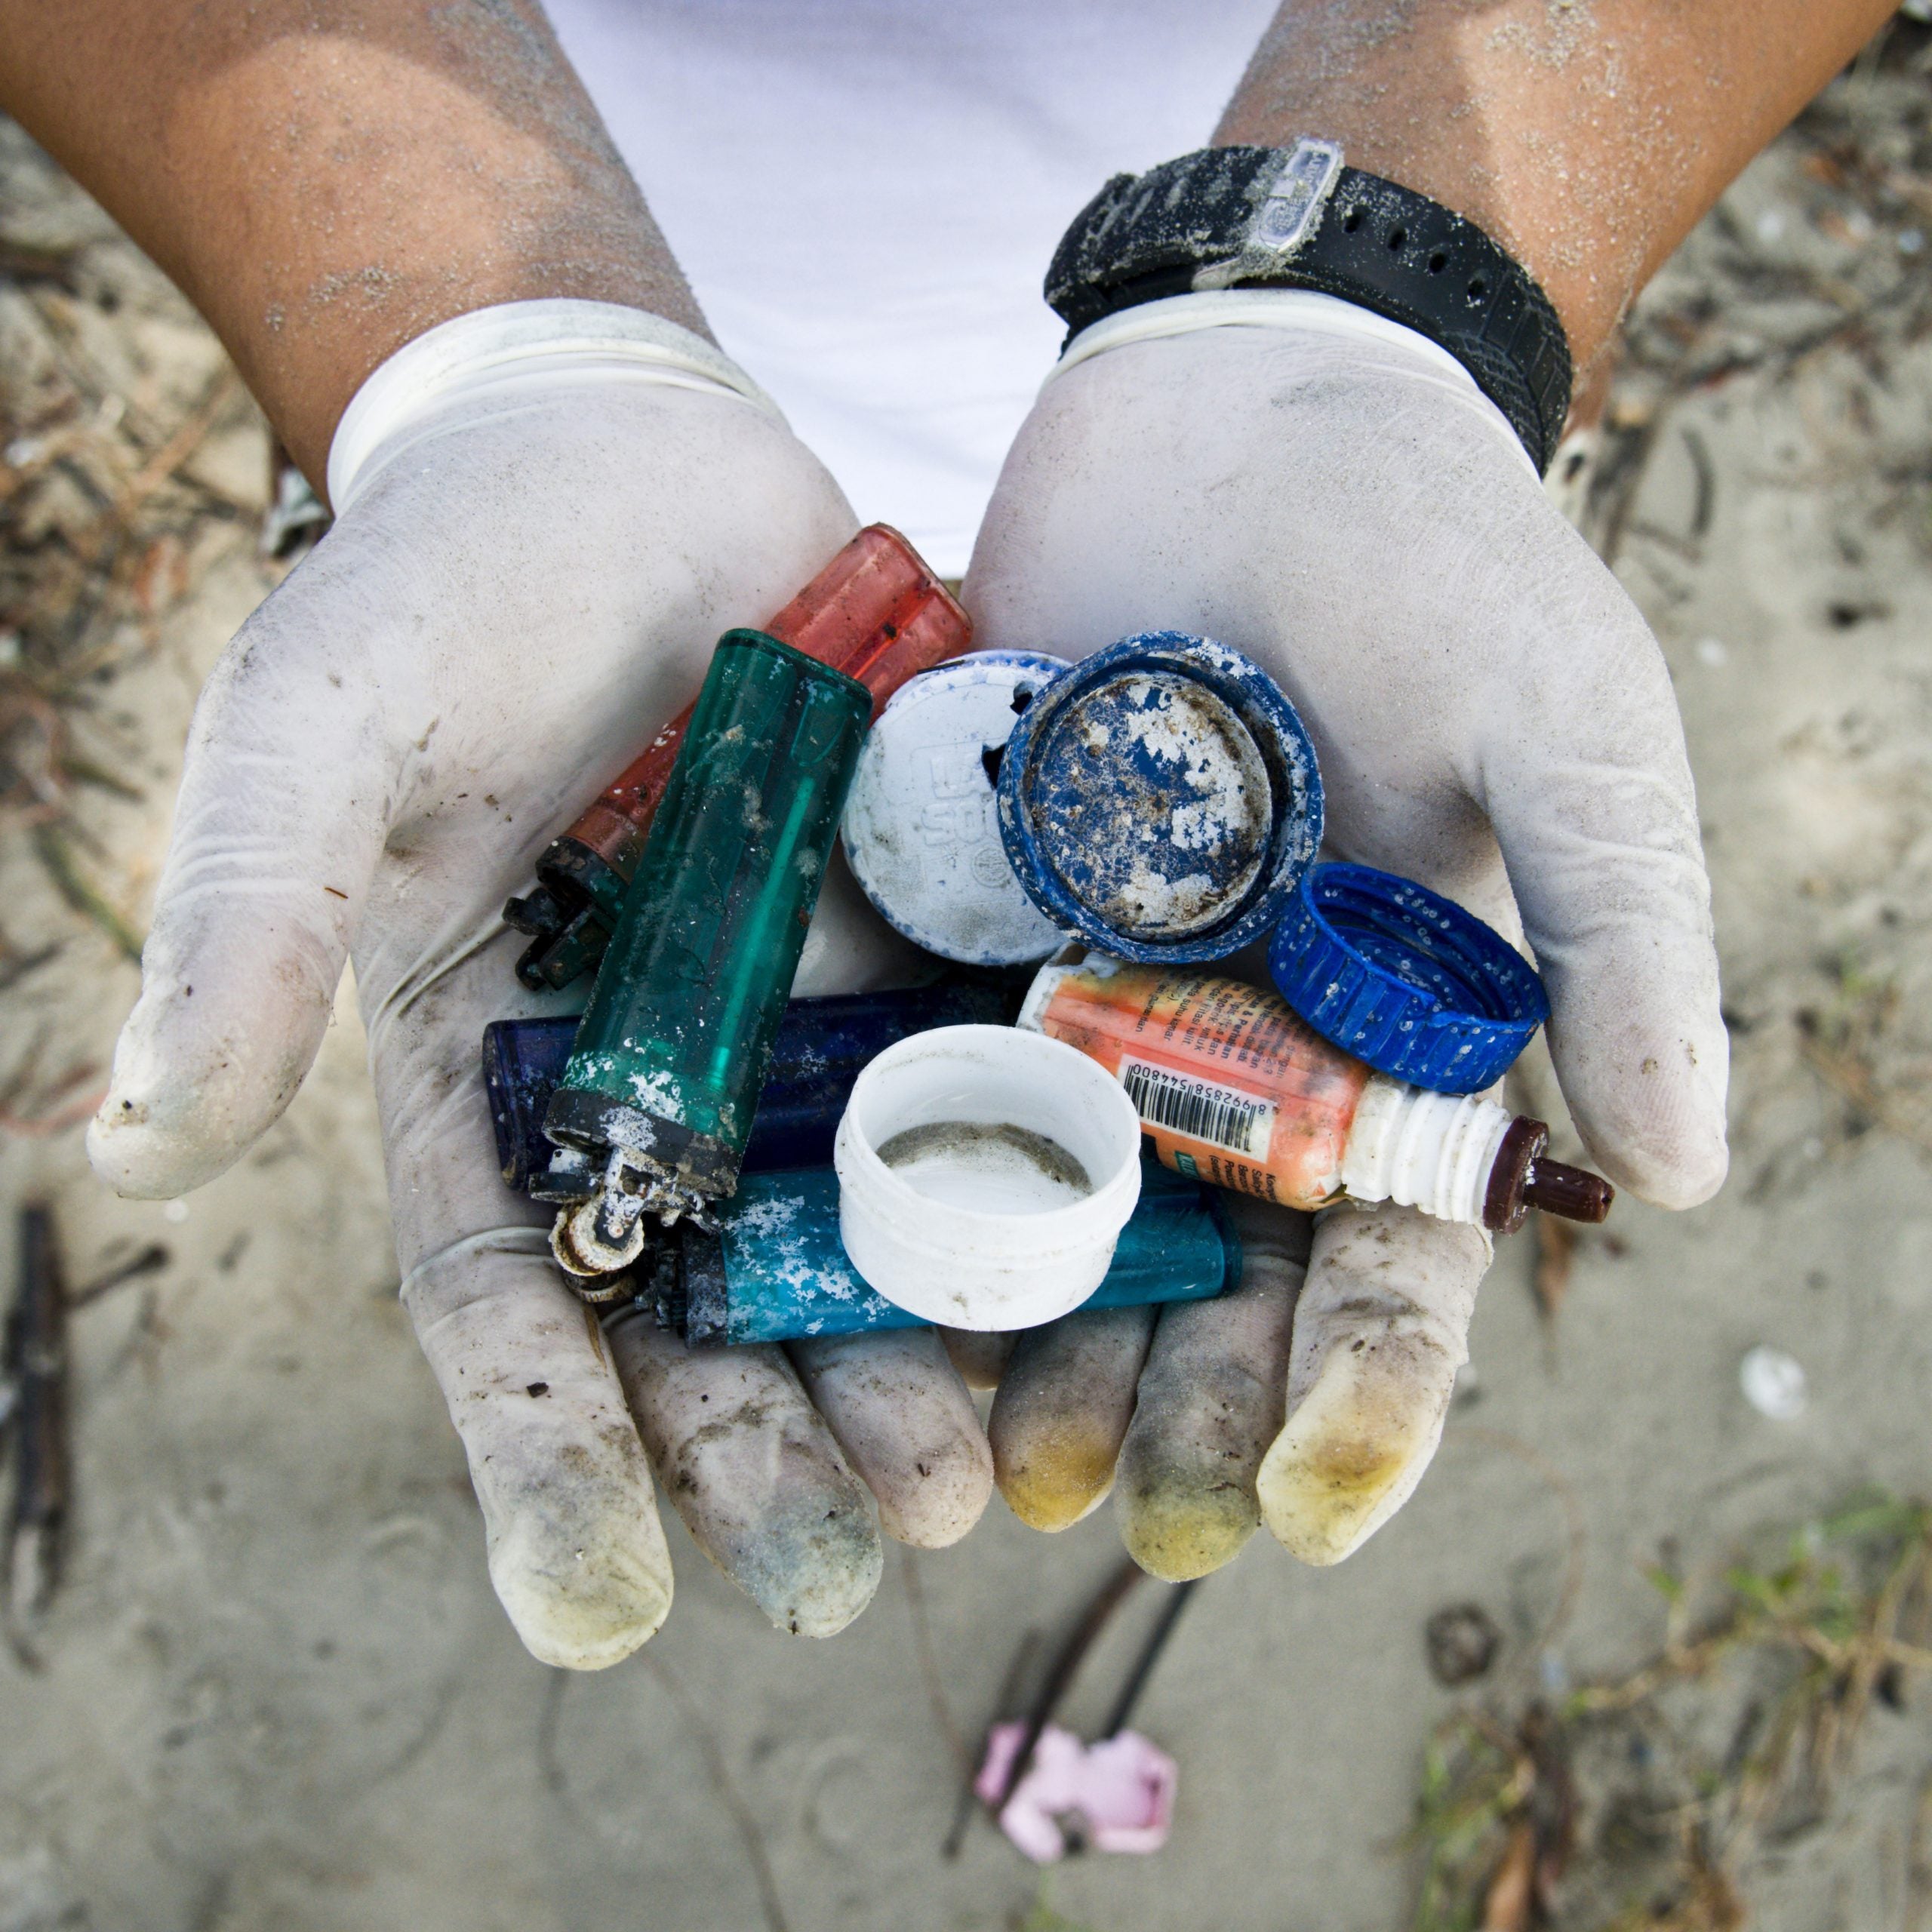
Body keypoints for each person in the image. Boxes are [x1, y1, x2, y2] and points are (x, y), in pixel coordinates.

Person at [0, 0, 1894, 1672]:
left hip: (1258, 459)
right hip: (556, 400)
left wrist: (1374, 305)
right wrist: (459, 354)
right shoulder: (733, 849)